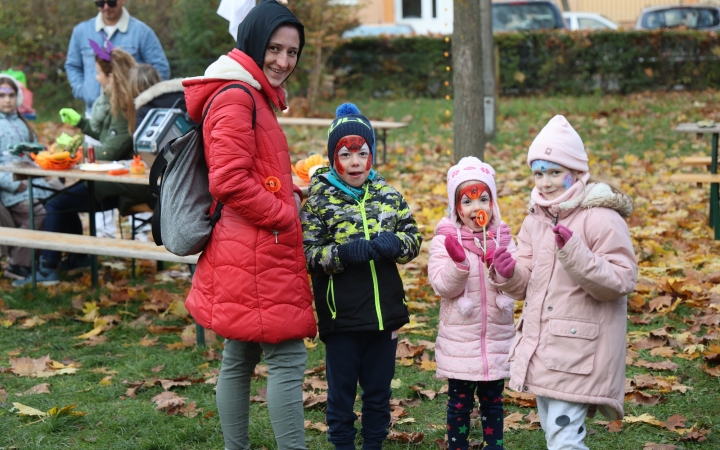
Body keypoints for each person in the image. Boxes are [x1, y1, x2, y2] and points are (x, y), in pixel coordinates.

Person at [181, 1, 317, 448]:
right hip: (257, 250)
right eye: (274, 49)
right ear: (253, 44)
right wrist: (283, 214)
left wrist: (289, 191)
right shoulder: (237, 96)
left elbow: (250, 170)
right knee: (287, 357)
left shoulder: (250, 91)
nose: (283, 61)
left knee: (238, 355)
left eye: (292, 52)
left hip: (246, 248)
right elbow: (230, 181)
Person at [489, 115, 638, 450]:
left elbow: (621, 279)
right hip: (545, 347)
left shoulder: (601, 216)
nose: (545, 182)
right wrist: (508, 272)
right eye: (539, 172)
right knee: (554, 431)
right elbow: (527, 282)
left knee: (563, 438)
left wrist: (574, 251)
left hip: (578, 350)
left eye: (555, 172)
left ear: (576, 173)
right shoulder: (535, 219)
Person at [301, 103, 423, 450]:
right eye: (345, 154)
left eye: (362, 153)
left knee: (378, 392)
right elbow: (309, 255)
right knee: (341, 394)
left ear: (372, 155)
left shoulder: (389, 196)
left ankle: (373, 444)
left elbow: (413, 240)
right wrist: (342, 254)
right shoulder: (319, 201)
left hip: (385, 316)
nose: (355, 162)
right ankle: (343, 444)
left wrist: (394, 244)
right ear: (333, 156)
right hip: (342, 318)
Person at [14, 45, 138, 286]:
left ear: (111, 76)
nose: (95, 77)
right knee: (61, 201)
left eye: (98, 72)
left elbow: (111, 150)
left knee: (58, 203)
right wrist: (81, 122)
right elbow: (108, 138)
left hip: (124, 183)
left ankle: (47, 268)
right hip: (113, 177)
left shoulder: (124, 107)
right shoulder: (117, 101)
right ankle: (78, 257)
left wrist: (76, 152)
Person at [427, 156, 516, 450]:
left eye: (483, 199)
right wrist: (459, 263)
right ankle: (457, 445)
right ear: (456, 207)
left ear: (493, 203)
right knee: (459, 403)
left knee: (494, 401)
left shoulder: (503, 236)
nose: (476, 208)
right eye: (467, 201)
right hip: (461, 341)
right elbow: (442, 285)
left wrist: (502, 267)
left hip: (496, 338)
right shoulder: (445, 239)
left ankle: (495, 445)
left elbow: (515, 283)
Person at [0, 75, 61, 281]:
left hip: (35, 181)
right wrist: (13, 184)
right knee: (38, 213)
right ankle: (18, 264)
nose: (7, 100)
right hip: (12, 188)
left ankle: (55, 258)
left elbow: (35, 153)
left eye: (11, 95)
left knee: (61, 202)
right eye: (2, 95)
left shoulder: (23, 123)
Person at [65, 0, 170, 115]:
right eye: (100, 3)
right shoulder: (81, 32)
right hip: (93, 114)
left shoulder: (142, 32)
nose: (106, 7)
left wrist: (141, 97)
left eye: (111, 2)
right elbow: (73, 66)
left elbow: (160, 70)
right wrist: (83, 91)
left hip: (130, 115)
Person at [127, 64, 186, 240]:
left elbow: (141, 148)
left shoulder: (144, 107)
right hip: (191, 172)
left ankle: (143, 234)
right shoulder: (182, 96)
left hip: (160, 180)